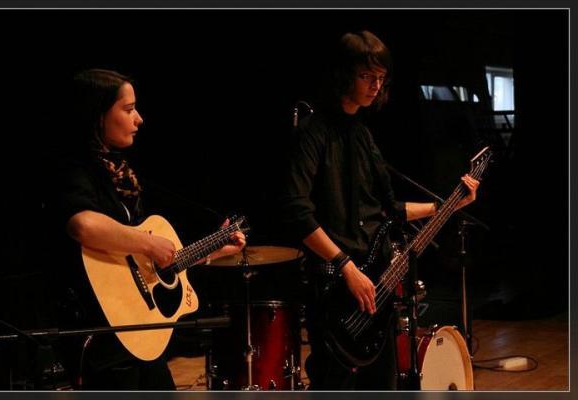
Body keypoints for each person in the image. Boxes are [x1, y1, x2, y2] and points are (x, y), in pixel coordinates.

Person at [281, 31, 480, 390]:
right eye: (366, 76)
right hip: (335, 287)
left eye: (381, 78)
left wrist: (447, 206)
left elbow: (388, 211)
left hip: (377, 287)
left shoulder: (363, 135)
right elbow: (297, 211)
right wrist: (346, 266)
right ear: (344, 74)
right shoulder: (313, 133)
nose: (375, 85)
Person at [44, 68, 246, 390]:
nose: (139, 119)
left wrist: (215, 249)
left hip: (137, 332)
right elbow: (82, 224)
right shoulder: (74, 167)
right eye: (128, 110)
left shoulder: (121, 175)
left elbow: (155, 267)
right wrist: (149, 244)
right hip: (101, 336)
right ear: (98, 115)